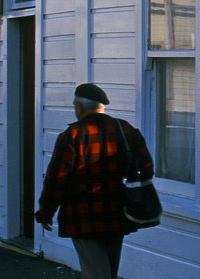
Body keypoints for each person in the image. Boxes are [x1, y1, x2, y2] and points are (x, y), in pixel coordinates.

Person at [35, 83, 154, 279]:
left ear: (80, 107)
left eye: (75, 105)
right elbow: (146, 169)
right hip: (117, 210)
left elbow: (56, 180)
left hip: (82, 215)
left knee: (95, 273)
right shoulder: (126, 130)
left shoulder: (72, 136)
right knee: (109, 270)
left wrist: (45, 213)